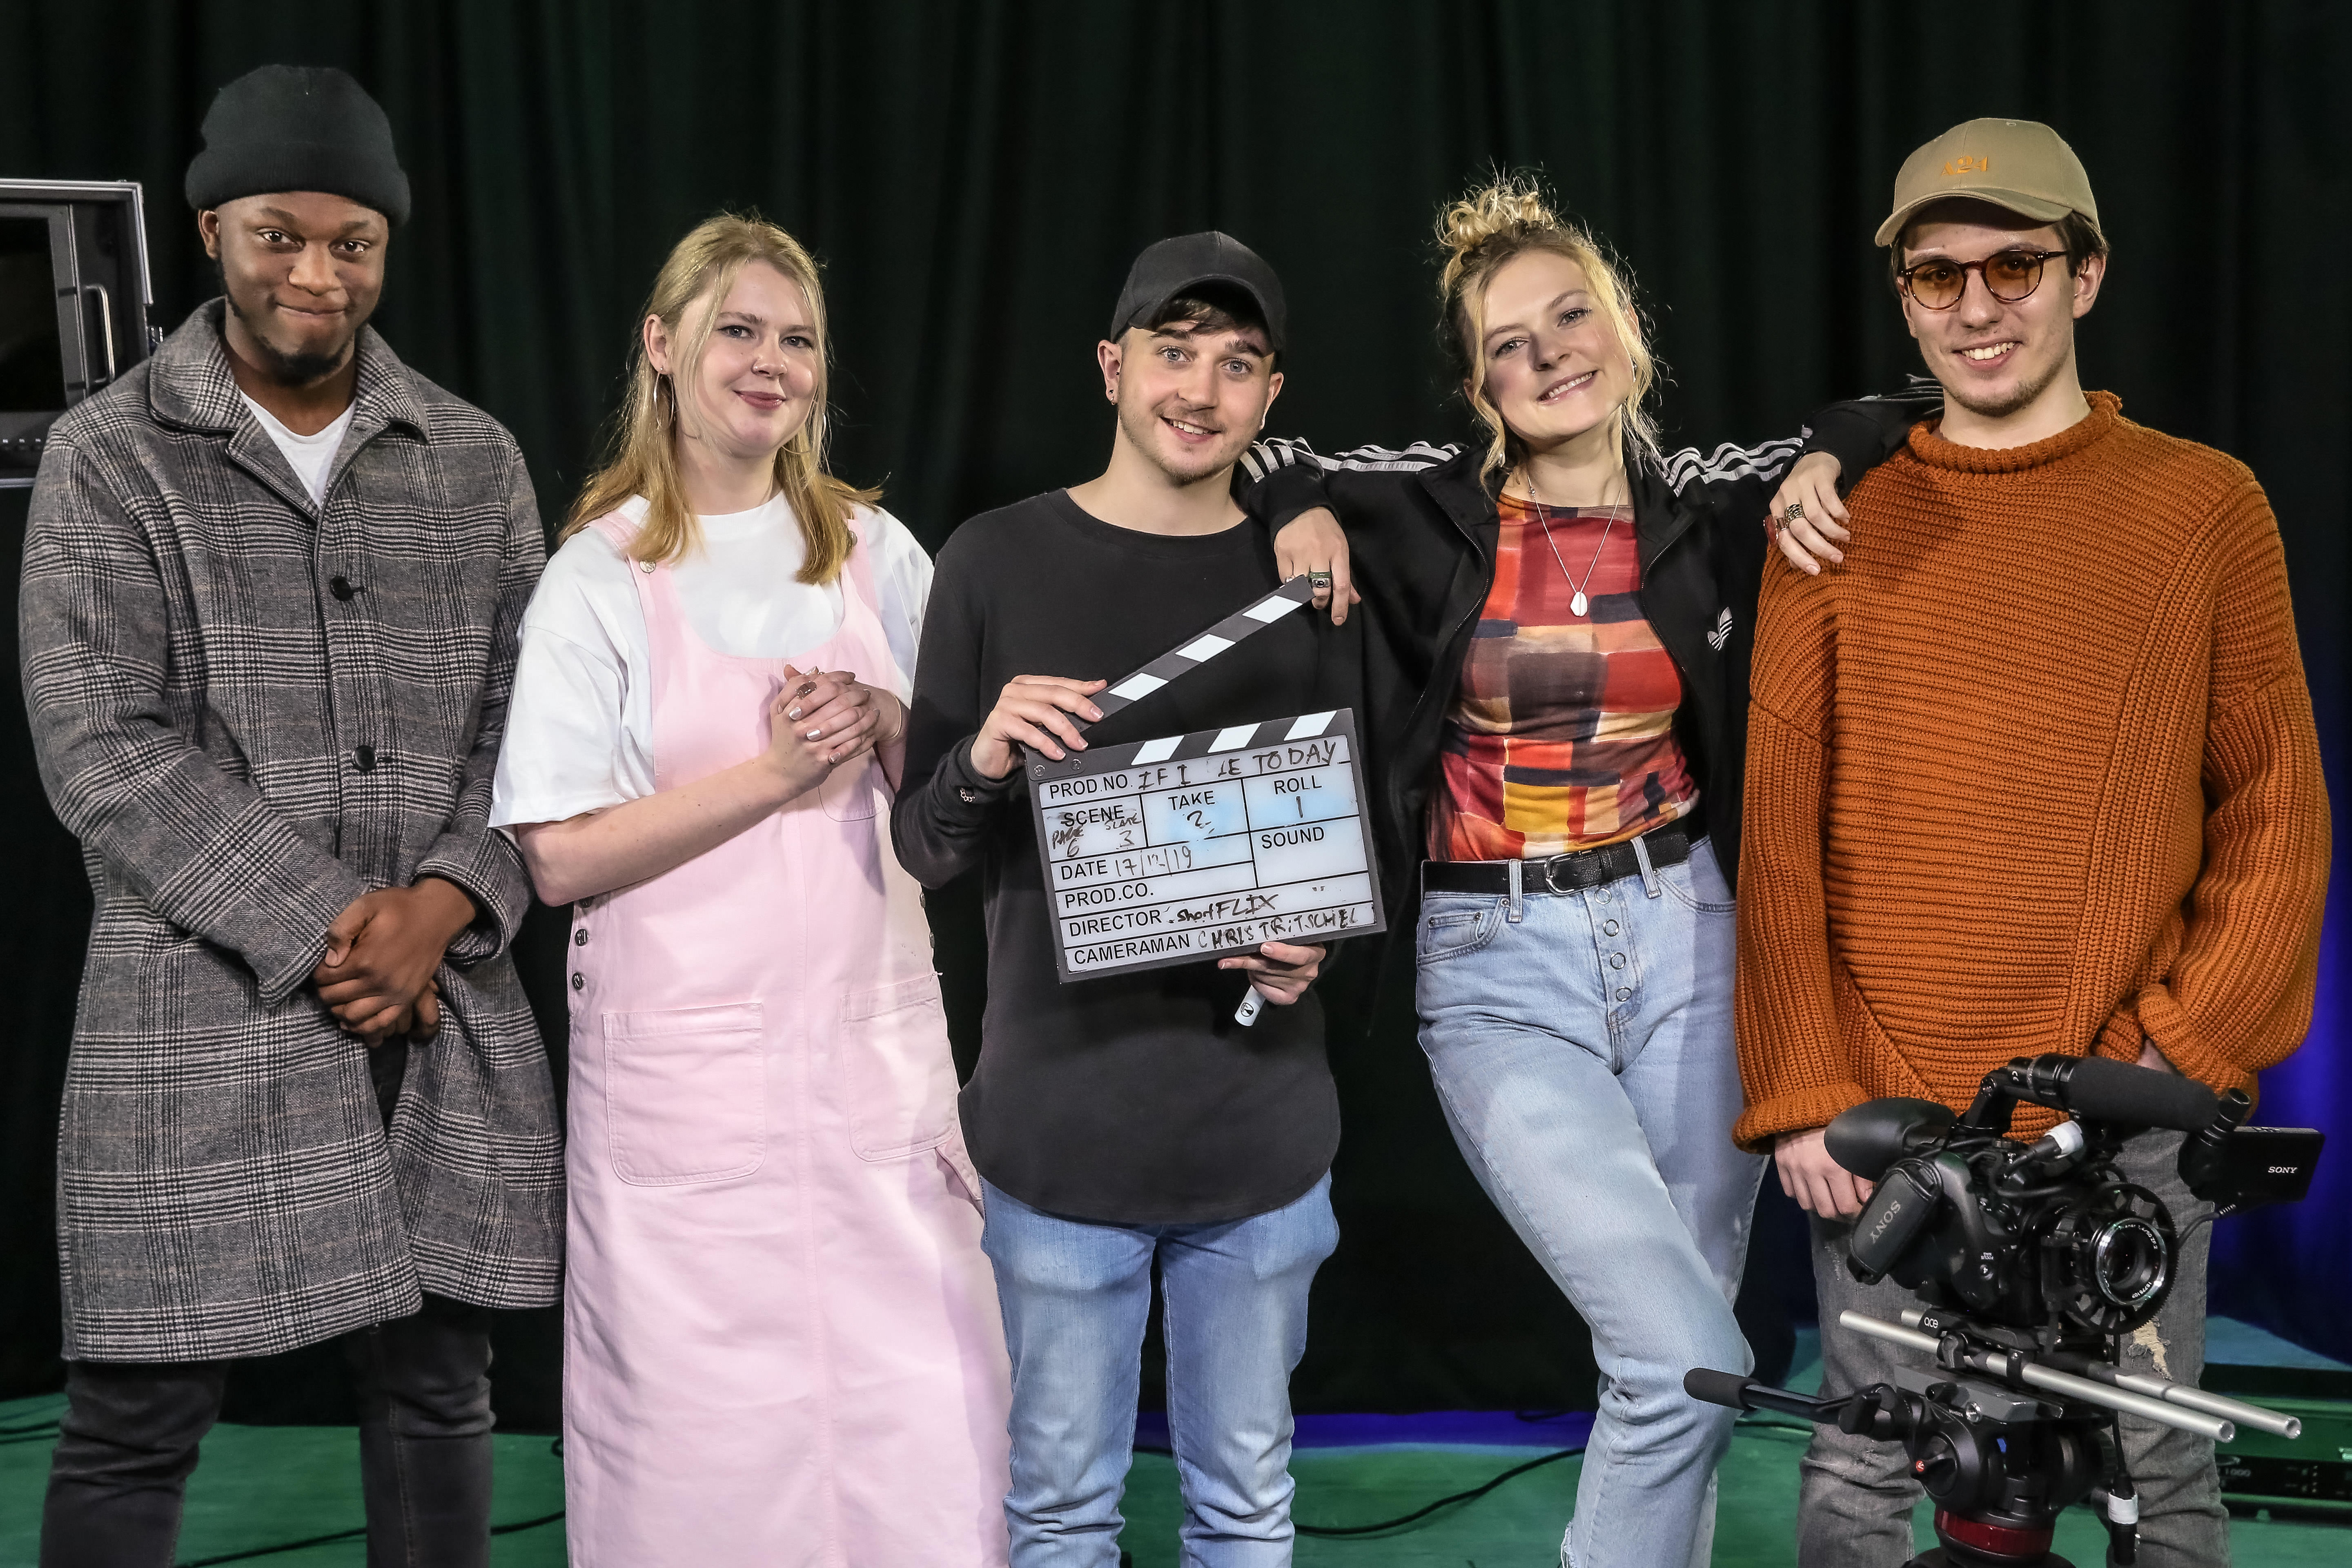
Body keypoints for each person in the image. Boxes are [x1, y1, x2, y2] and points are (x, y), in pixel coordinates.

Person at [1235, 177, 1920, 1568]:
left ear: (1625, 333)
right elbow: (1258, 439)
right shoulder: (1427, 509)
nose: (1549, 355)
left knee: (1691, 1365)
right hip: (1497, 964)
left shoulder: (1705, 502)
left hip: (1689, 937)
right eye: (1509, 343)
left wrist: (1823, 461)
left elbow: (1908, 403)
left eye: (1572, 317)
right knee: (1680, 1348)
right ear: (1477, 386)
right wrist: (1299, 504)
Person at [1732, 118, 2330, 1568]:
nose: (1978, 305)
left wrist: (2179, 1053)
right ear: (1905, 301)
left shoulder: (2206, 509)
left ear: (2087, 274)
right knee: (1872, 1463)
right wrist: (1806, 1090)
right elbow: (1779, 838)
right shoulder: (1831, 522)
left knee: (2158, 1471)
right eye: (1938, 276)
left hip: (2126, 1111)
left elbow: (2275, 808)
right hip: (1893, 1118)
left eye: (2016, 265)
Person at [20, 66, 560, 1567]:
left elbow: (539, 727)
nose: (317, 273)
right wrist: (351, 930)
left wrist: (445, 906)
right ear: (212, 232)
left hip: (444, 1006)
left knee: (441, 1388)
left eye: (352, 243)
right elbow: (100, 746)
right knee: (135, 1415)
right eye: (280, 236)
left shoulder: (474, 456)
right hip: (196, 1006)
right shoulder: (109, 453)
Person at [489, 214, 1012, 1566]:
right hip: (688, 1094)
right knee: (701, 1460)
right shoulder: (599, 579)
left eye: (798, 339)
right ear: (663, 346)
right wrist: (775, 776)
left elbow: (958, 799)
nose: (769, 362)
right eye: (738, 330)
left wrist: (891, 720)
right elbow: (557, 856)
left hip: (875, 1075)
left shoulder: (879, 555)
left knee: (925, 1433)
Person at [893, 232, 1353, 1567]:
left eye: (1238, 363)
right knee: (1059, 1514)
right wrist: (983, 755)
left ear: (1273, 396)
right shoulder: (991, 558)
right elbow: (924, 849)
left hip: (1259, 1131)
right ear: (1110, 365)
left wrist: (1318, 942)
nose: (1199, 390)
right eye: (1172, 351)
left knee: (1247, 1509)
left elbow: (1356, 831)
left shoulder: (1310, 580)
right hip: (1058, 1130)